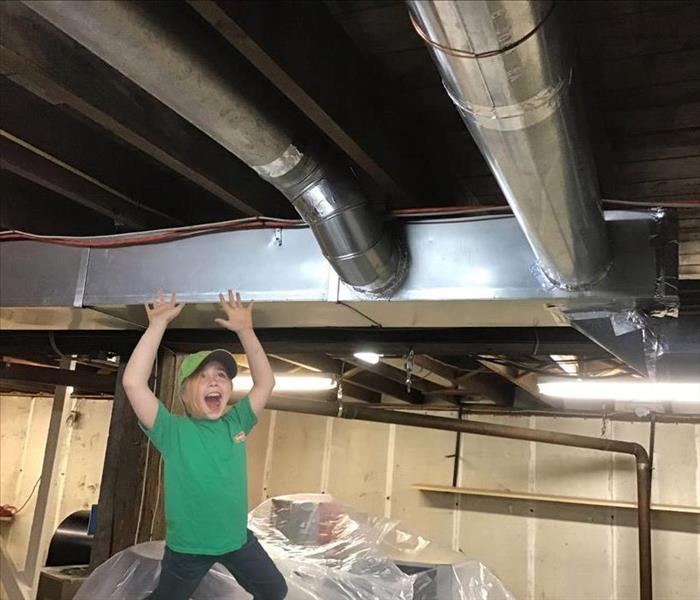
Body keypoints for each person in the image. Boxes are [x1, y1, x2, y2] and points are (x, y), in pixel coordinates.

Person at [122, 289, 287, 600]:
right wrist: (157, 324)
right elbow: (133, 382)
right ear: (185, 394)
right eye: (202, 376)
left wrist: (245, 330)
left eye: (221, 375)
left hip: (237, 542)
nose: (214, 381)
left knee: (274, 590)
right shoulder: (172, 430)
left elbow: (265, 382)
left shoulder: (235, 423)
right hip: (187, 550)